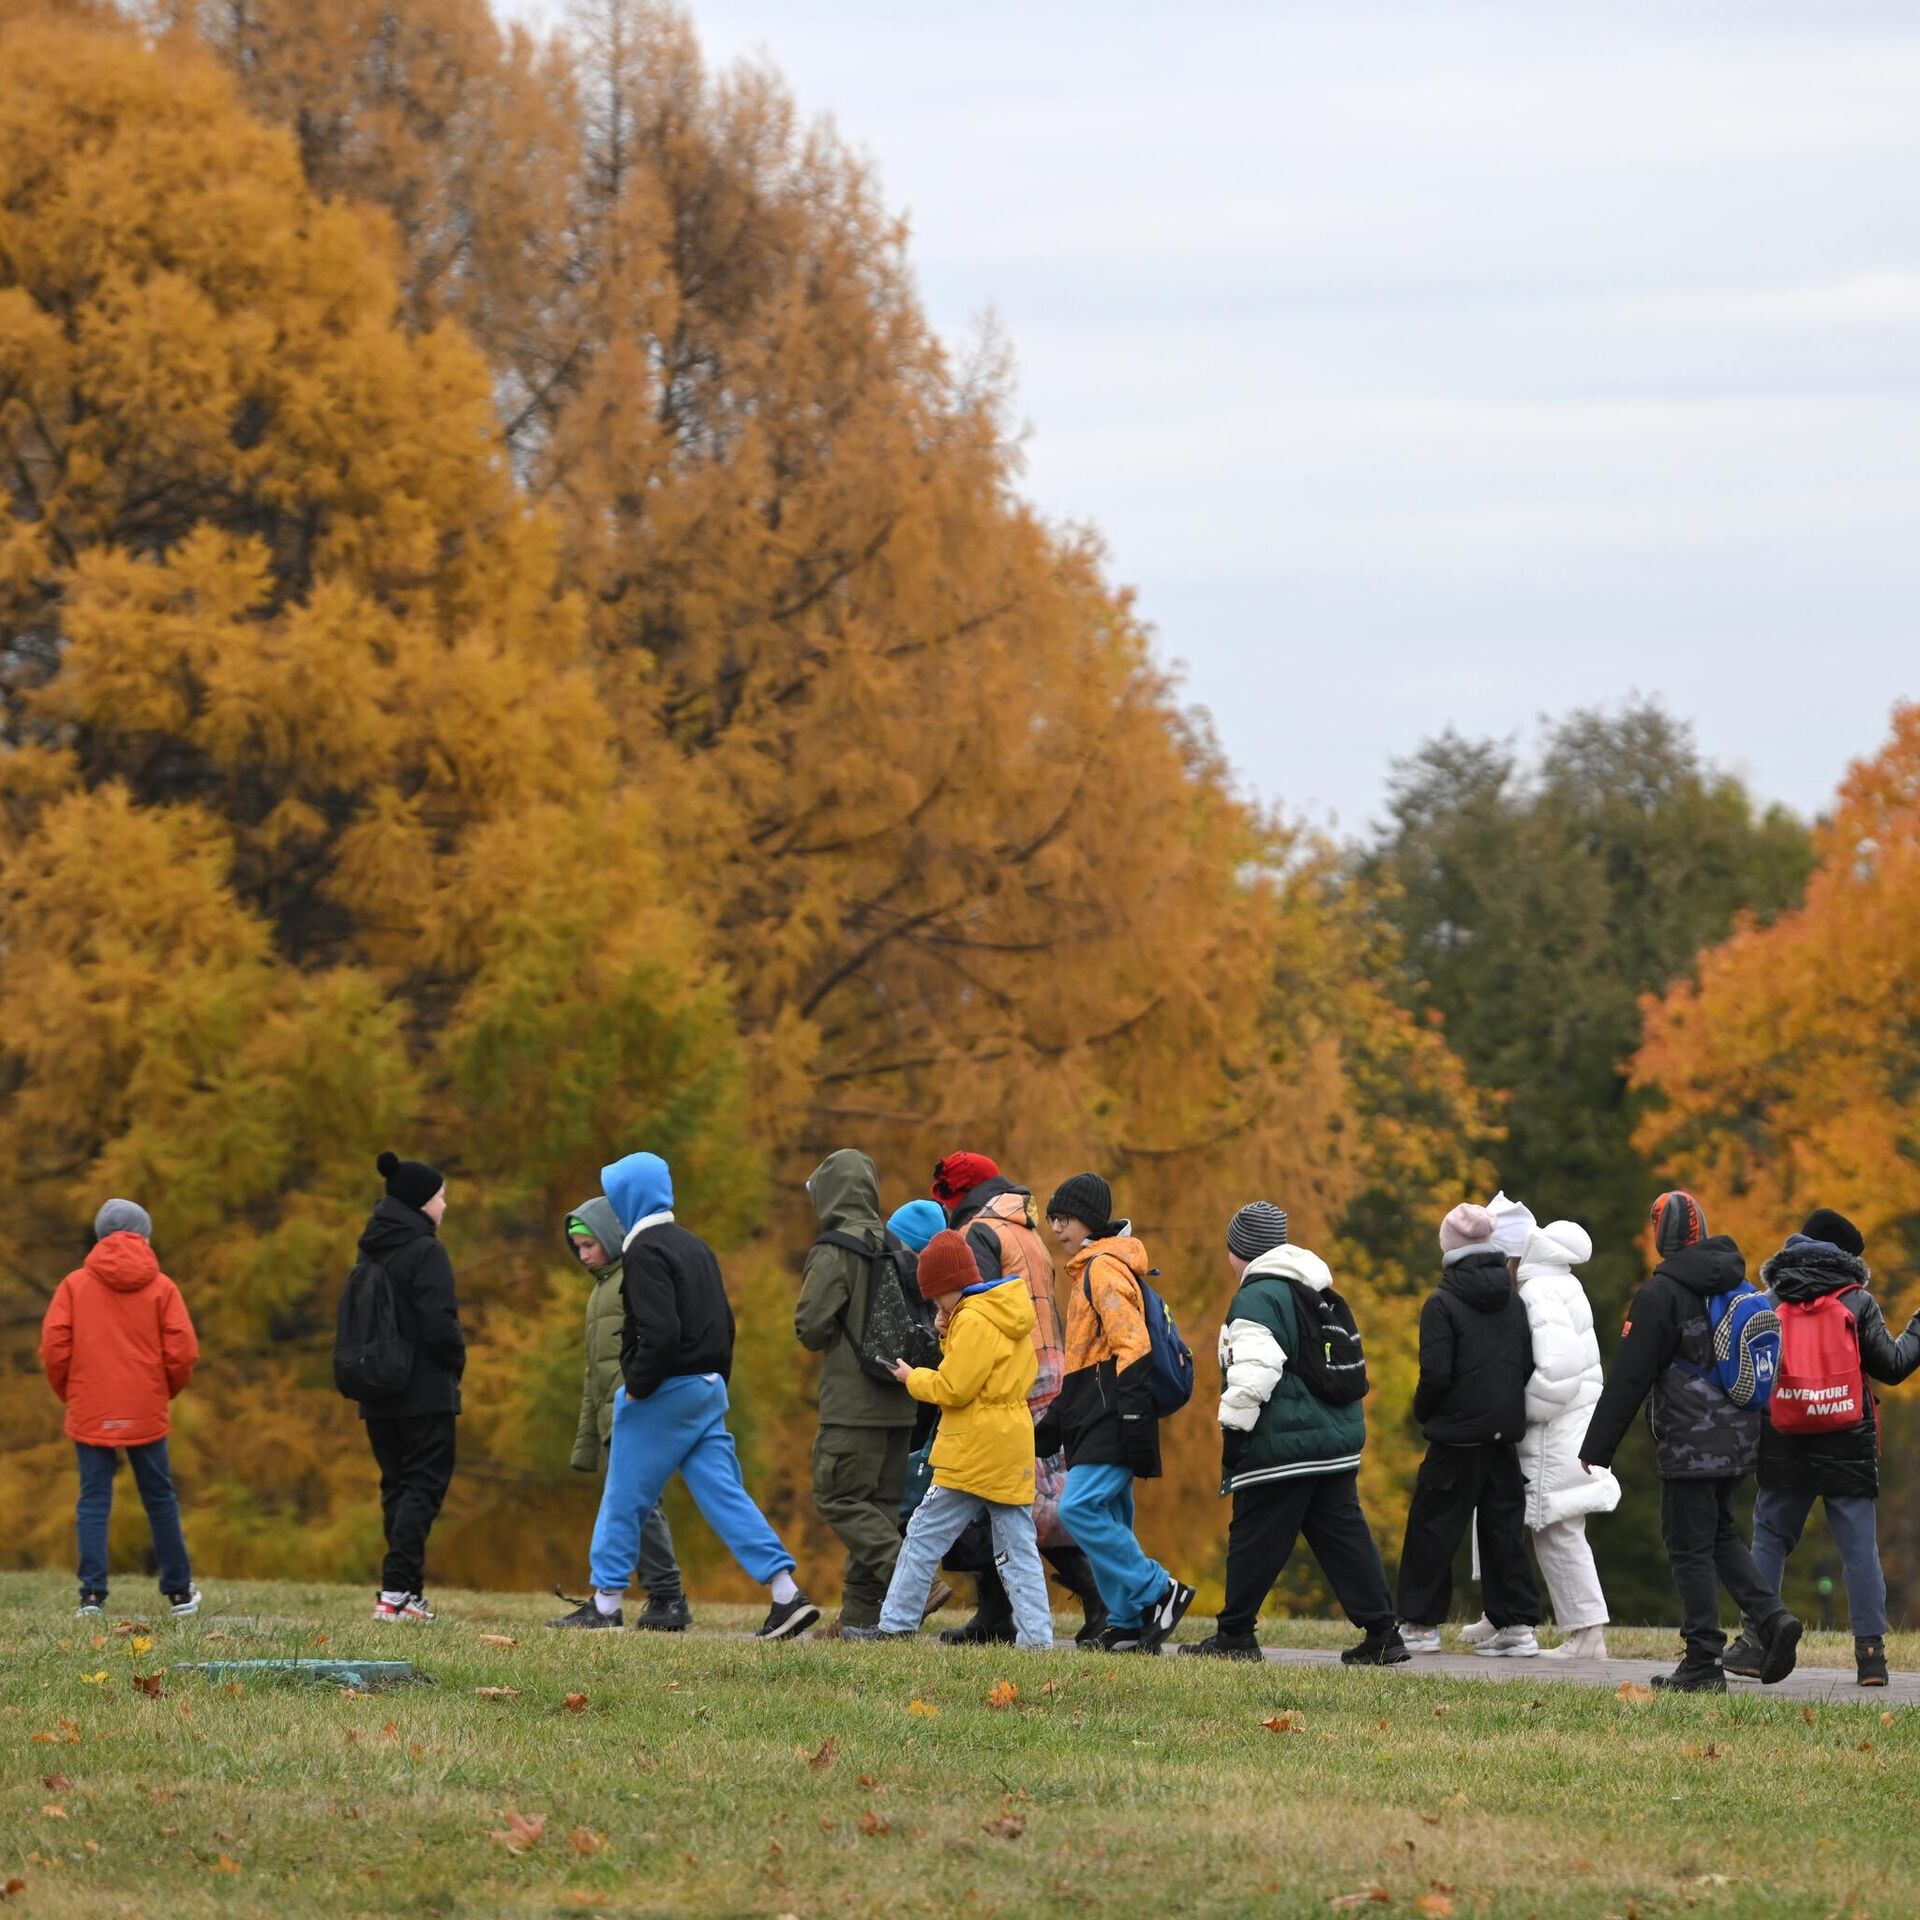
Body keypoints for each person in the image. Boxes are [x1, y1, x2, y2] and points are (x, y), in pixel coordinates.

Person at [584, 1150, 818, 1640]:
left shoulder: (645, 1251)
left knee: (624, 1494)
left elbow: (660, 1332)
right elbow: (725, 1324)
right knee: (724, 1494)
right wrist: (715, 1380)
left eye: (615, 1195)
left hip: (664, 1391)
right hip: (708, 1388)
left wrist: (637, 1388)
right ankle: (785, 1594)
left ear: (631, 1197)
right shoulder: (694, 1245)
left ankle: (605, 1603)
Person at [1580, 1190, 1803, 1692]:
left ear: (1662, 1237)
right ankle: (1771, 1616)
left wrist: (1596, 1448)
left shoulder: (1662, 1294)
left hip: (1690, 1444)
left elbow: (1629, 1378)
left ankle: (1703, 1659)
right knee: (1719, 1533)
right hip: (1741, 1439)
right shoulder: (1735, 1282)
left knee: (1687, 1546)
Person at [1182, 1202, 1407, 1665]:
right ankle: (1383, 1633)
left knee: (1253, 1534)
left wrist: (1234, 1431)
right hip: (1334, 1440)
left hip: (1284, 1445)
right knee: (1343, 1537)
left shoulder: (1258, 1296)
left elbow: (1255, 1371)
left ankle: (1235, 1635)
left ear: (1240, 1250)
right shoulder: (1313, 1286)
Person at [1724, 1209, 1920, 1689]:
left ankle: (1753, 1642)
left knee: (1770, 1540)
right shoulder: (1857, 1301)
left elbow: (1749, 1375)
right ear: (1845, 1255)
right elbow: (1892, 1366)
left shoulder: (1768, 1299)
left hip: (1785, 1435)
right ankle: (1871, 1657)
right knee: (1859, 1552)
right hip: (1846, 1438)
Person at [928, 1153, 1106, 1646]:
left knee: (1012, 1495)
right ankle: (997, 1613)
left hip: (1009, 1377)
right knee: (1023, 1496)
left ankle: (1097, 1601)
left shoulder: (977, 1235)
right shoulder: (1022, 1231)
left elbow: (979, 1311)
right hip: (1049, 1366)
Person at [1037, 1171, 1195, 1653]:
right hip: (1094, 1414)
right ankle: (1126, 1620)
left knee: (1080, 1508)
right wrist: (1055, 1423)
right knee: (1111, 1515)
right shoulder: (1089, 1269)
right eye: (1052, 1219)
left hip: (1113, 1414)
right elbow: (1086, 1359)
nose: (1057, 1229)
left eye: (1064, 1218)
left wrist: (1129, 1418)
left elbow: (1133, 1346)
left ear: (1088, 1219)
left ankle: (1158, 1590)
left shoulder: (1103, 1268)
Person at [875, 1230, 1053, 1647]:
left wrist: (911, 1377)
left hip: (974, 1449)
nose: (936, 1305)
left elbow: (955, 1387)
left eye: (937, 1297)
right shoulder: (1002, 1312)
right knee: (1018, 1549)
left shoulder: (972, 1318)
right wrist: (945, 1330)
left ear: (950, 1284)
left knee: (923, 1533)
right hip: (1009, 1442)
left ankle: (896, 1623)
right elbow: (981, 1369)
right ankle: (1039, 1640)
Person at [40, 1199, 201, 1619]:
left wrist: (72, 1393)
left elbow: (54, 1349)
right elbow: (182, 1352)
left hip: (90, 1404)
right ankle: (179, 1592)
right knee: (160, 1499)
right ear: (143, 1236)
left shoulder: (74, 1286)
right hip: (145, 1404)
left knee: (93, 1499)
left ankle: (91, 1595)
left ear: (99, 1238)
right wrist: (163, 1391)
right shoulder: (162, 1287)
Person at [1396, 1203, 1542, 1657]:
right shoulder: (1512, 1297)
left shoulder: (1441, 1302)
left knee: (1433, 1527)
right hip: (1502, 1434)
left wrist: (1424, 1412)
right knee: (1503, 1529)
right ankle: (1517, 1626)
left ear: (1449, 1246)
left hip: (1455, 1435)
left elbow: (1435, 1375)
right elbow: (1527, 1362)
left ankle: (1420, 1625)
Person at [547, 1197, 688, 1631]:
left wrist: (638, 1402)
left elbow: (653, 1345)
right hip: (616, 1417)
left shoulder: (632, 1279)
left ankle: (664, 1596)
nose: (583, 1254)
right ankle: (644, 1598)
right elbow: (596, 1374)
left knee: (637, 1505)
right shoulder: (602, 1288)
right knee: (627, 1505)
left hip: (637, 1411)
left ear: (611, 1236)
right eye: (578, 1247)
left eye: (589, 1244)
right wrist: (589, 1438)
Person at [795, 1150, 920, 1639]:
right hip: (901, 1401)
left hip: (852, 1403)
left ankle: (912, 1583)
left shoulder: (835, 1249)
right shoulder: (898, 1246)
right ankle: (861, 1618)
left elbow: (810, 1326)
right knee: (880, 1509)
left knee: (838, 1496)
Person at [356, 1151, 465, 1624]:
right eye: (440, 1197)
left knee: (397, 1487)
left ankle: (403, 1594)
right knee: (424, 1485)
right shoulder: (426, 1251)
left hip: (377, 1391)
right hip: (424, 1391)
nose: (444, 1205)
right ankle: (399, 1591)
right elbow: (441, 1325)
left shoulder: (370, 1248)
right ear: (422, 1201)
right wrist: (454, 1365)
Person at [1508, 1220, 1619, 1660]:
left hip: (1556, 1430)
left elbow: (1557, 1370)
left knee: (1558, 1528)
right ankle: (1576, 1630)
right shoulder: (1560, 1282)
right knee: (1553, 1526)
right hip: (1571, 1426)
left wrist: (1522, 1411)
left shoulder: (1539, 1291)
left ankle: (1587, 1634)